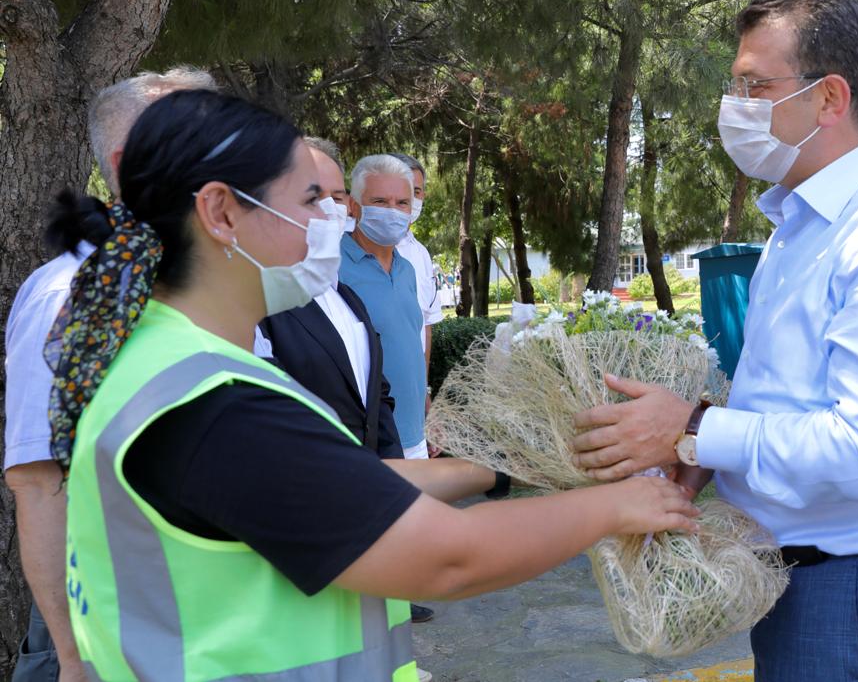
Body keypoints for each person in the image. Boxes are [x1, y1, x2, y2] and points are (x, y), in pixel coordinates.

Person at [49, 89, 698, 681]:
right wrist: (617, 508)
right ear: (221, 212)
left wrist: (498, 468)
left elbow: (341, 481)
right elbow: (451, 558)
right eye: (309, 200)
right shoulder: (217, 408)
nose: (332, 219)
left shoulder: (158, 359)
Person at [572, 0, 858, 682]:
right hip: (810, 584)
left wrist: (694, 427)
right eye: (737, 85)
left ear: (829, 98)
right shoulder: (801, 226)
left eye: (755, 86)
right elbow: (792, 399)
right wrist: (703, 459)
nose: (735, 107)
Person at [3, 66, 215, 682]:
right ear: (131, 161)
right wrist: (74, 658)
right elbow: (41, 481)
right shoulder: (75, 293)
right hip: (106, 621)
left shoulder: (207, 279)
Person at [259, 137, 404, 460]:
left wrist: (393, 468)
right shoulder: (261, 302)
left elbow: (376, 394)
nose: (328, 209)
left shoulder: (348, 298)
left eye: (336, 197)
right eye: (312, 197)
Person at [340, 155, 428, 459]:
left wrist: (426, 406)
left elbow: (411, 343)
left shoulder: (407, 270)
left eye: (402, 203)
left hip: (415, 436)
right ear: (353, 205)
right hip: (370, 442)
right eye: (380, 201)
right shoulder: (331, 268)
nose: (393, 212)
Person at [391, 153, 443, 418]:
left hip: (411, 402)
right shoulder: (348, 248)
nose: (410, 199)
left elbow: (426, 327)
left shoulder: (421, 254)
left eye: (417, 191)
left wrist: (423, 390)